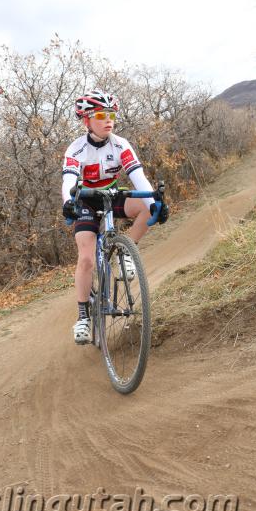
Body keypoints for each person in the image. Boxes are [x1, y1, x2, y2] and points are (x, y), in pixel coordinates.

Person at [62, 90, 169, 344]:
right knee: (87, 259)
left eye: (111, 114)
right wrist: (68, 203)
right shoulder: (76, 149)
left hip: (111, 193)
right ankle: (83, 318)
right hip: (85, 200)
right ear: (86, 120)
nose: (108, 119)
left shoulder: (120, 144)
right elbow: (68, 180)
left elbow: (138, 177)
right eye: (100, 115)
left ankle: (125, 253)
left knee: (145, 207)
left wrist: (155, 204)